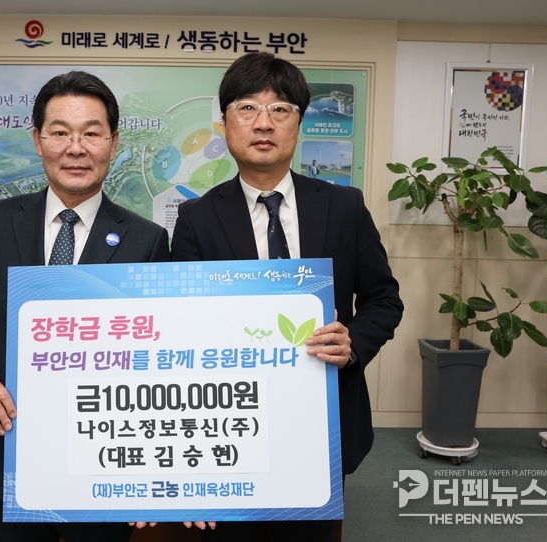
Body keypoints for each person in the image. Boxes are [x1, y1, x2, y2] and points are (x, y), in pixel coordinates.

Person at [170, 52, 404, 541]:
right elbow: (181, 321)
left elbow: (384, 299)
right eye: (247, 108)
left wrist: (352, 344)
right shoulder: (196, 218)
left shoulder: (344, 205)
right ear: (225, 122)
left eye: (280, 109)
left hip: (322, 411)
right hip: (230, 417)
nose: (263, 123)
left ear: (299, 122)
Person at [0, 70, 171, 542]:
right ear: (37, 140)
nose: (76, 148)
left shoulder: (147, 240)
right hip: (11, 447)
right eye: (61, 133)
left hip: (106, 462)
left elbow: (159, 352)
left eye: (92, 134)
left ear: (113, 143)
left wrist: (151, 469)